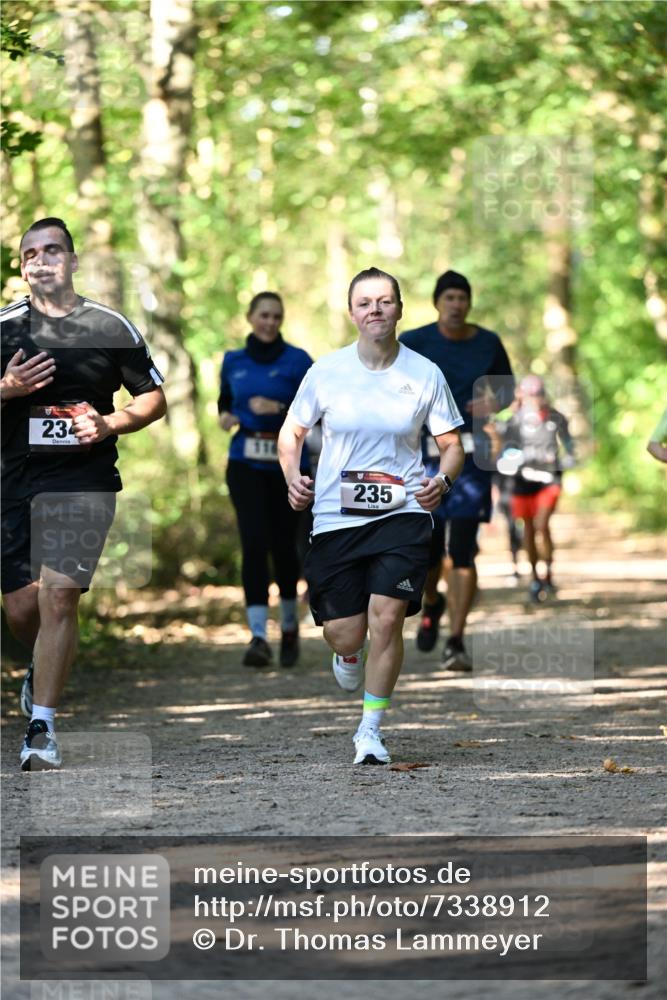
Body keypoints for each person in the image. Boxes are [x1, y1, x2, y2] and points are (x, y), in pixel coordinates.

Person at [278, 267, 464, 765]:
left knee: (388, 618)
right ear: (352, 312)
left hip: (402, 512)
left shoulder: (424, 374)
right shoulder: (326, 371)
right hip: (337, 515)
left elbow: (451, 446)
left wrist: (441, 482)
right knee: (346, 630)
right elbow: (291, 433)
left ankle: (371, 729)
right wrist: (293, 475)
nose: (375, 309)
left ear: (400, 310)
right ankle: (347, 653)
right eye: (365, 302)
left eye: (385, 301)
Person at [1, 217, 167, 771]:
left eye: (52, 251)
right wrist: (8, 388)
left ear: (72, 262)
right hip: (13, 479)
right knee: (23, 608)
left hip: (83, 479)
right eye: (30, 254)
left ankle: (42, 727)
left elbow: (152, 398)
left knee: (58, 596)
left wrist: (109, 424)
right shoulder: (3, 328)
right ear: (22, 267)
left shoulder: (108, 324)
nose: (40, 260)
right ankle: (41, 667)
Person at [400, 270, 514, 670]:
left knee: (462, 550)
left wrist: (493, 403)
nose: (456, 304)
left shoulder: (488, 343)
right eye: (449, 297)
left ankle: (457, 640)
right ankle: (432, 601)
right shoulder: (413, 342)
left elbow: (506, 389)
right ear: (437, 302)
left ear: (469, 303)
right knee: (429, 552)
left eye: (462, 297)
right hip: (424, 458)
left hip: (472, 458)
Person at [218, 292, 312, 668]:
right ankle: (258, 635)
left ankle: (289, 625)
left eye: (276, 316)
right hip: (244, 462)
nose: (269, 322)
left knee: (284, 547)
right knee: (253, 544)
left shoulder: (298, 361)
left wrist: (280, 410)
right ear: (250, 317)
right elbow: (224, 401)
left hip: (286, 464)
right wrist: (225, 416)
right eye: (263, 315)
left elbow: (318, 410)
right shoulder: (232, 361)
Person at [498, 374, 575, 601]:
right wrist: (513, 460)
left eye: (540, 394)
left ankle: (549, 574)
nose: (536, 399)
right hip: (522, 483)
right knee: (529, 529)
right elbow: (503, 452)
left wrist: (563, 460)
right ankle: (535, 579)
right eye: (531, 395)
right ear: (522, 396)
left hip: (549, 480)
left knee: (542, 524)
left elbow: (570, 447)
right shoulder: (513, 420)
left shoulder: (556, 417)